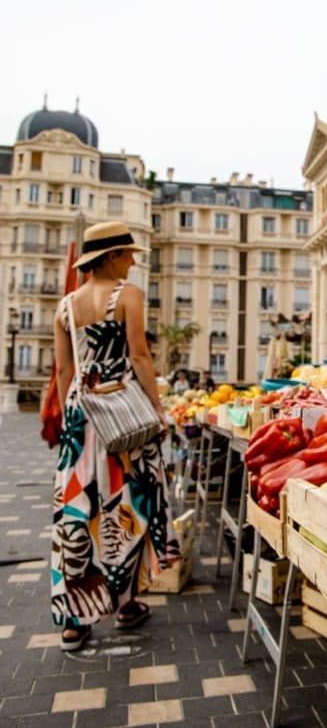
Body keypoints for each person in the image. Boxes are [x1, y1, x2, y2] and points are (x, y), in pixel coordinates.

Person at [52, 221, 181, 651]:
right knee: (127, 505)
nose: (132, 263)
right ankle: (125, 603)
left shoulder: (66, 306)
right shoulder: (128, 296)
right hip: (123, 416)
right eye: (127, 255)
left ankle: (74, 620)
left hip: (80, 418)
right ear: (110, 256)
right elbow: (140, 355)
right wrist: (158, 410)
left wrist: (71, 414)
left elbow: (65, 372)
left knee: (78, 509)